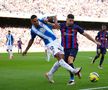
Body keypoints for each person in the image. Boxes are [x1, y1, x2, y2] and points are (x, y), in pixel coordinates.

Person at [22, 15, 82, 84]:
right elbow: (31, 40)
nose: (37, 22)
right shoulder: (33, 30)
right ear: (31, 22)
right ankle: (74, 71)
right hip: (49, 44)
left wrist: (52, 21)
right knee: (59, 58)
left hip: (56, 41)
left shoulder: (42, 20)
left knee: (62, 59)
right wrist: (26, 50)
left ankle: (49, 74)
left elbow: (54, 17)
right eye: (35, 21)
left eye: (37, 20)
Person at [46, 14, 101, 85]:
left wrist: (95, 41)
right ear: (67, 19)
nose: (71, 22)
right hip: (63, 48)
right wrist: (45, 22)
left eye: (72, 21)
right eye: (70, 20)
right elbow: (53, 25)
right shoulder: (62, 25)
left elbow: (86, 34)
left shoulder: (76, 27)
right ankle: (50, 73)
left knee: (69, 60)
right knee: (61, 62)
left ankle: (72, 79)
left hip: (73, 47)